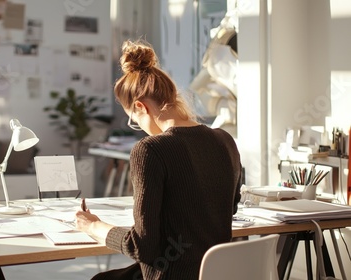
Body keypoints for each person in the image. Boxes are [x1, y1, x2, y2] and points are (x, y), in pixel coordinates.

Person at [75, 39, 242, 280]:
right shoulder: (225, 140)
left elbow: (142, 246)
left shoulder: (150, 149)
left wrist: (92, 226)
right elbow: (228, 207)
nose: (139, 128)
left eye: (134, 120)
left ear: (141, 107)